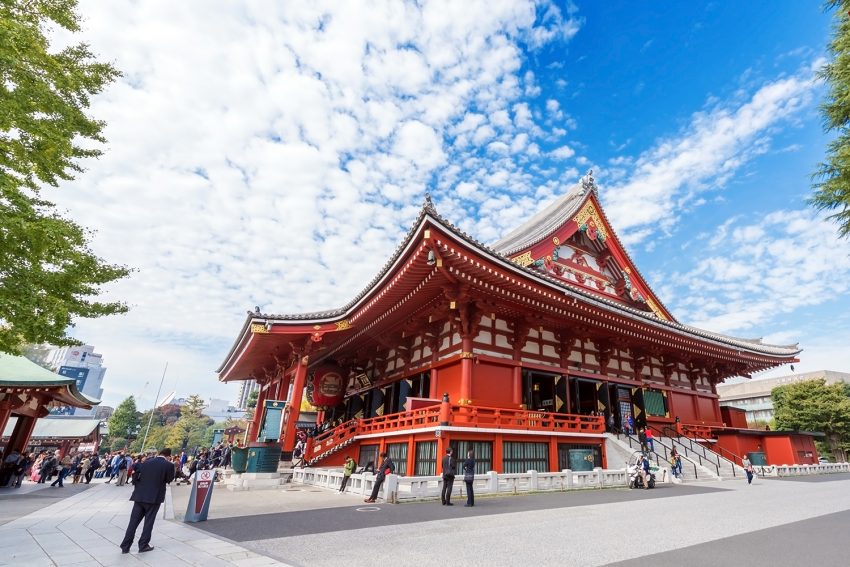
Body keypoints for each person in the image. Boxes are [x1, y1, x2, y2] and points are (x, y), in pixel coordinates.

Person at [120, 448, 176, 554]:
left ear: (159, 453)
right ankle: (143, 545)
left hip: (140, 496)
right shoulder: (169, 465)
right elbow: (169, 479)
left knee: (133, 522)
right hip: (154, 498)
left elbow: (136, 475)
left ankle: (125, 545)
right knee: (148, 522)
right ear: (168, 455)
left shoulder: (147, 462)